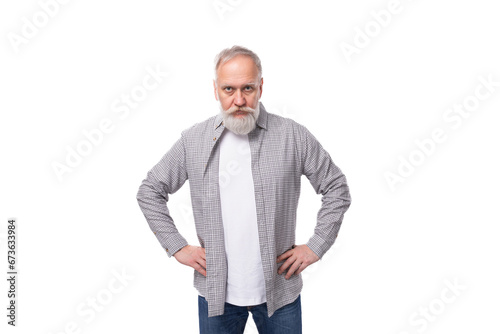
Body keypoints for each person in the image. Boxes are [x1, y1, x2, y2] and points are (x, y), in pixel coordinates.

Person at [136, 45, 352, 334]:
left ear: (261, 87)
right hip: (216, 294)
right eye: (228, 89)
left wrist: (317, 245)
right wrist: (176, 246)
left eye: (247, 88)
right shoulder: (194, 141)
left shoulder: (292, 136)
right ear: (216, 90)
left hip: (280, 292)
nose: (239, 100)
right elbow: (150, 190)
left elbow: (336, 187)